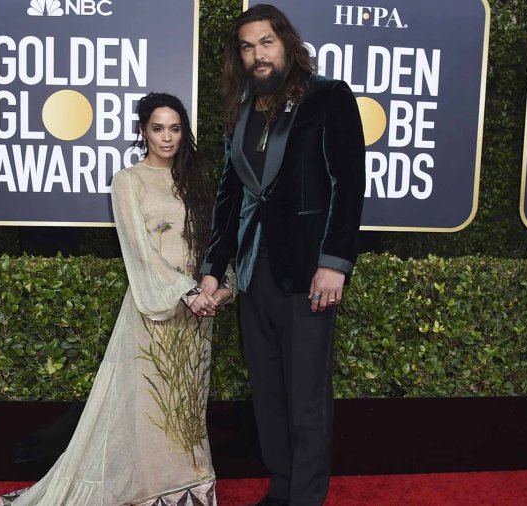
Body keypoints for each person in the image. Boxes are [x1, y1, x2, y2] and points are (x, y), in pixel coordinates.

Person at [0, 92, 233, 506]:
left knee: (186, 404)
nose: (167, 138)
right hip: (155, 309)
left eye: (175, 129)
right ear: (142, 130)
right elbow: (139, 252)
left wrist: (220, 287)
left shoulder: (195, 182)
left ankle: (186, 489)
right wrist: (187, 292)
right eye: (158, 128)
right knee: (147, 404)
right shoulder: (129, 180)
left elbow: (214, 244)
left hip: (198, 314)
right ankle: (147, 492)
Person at [191, 4, 366, 506]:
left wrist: (334, 262)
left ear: (287, 44)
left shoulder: (328, 96)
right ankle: (283, 486)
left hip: (309, 269)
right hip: (253, 271)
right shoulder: (243, 111)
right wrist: (213, 268)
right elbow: (232, 196)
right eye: (247, 47)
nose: (257, 54)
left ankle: (307, 497)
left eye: (266, 42)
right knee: (267, 391)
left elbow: (347, 183)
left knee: (306, 395)